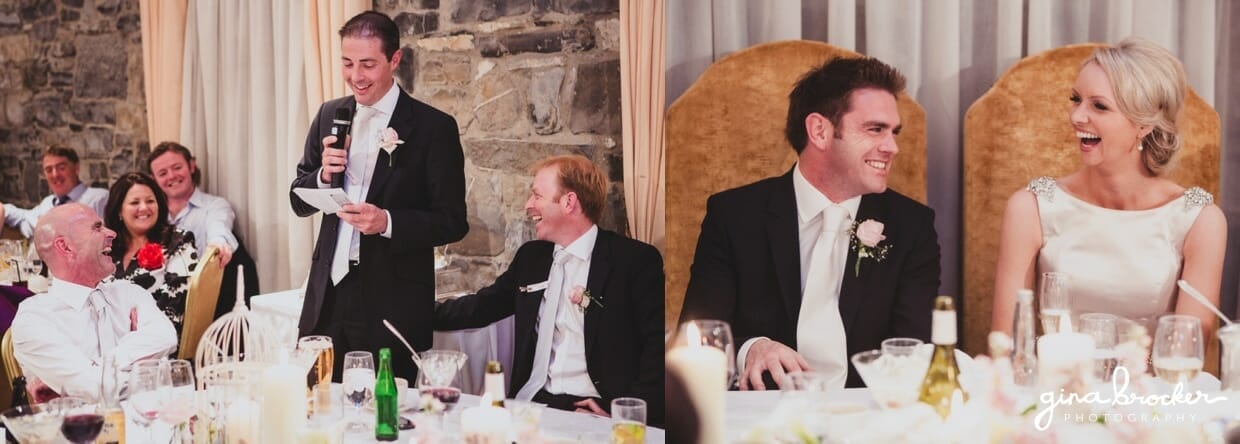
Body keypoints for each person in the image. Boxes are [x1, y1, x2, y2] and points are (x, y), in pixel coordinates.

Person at [679, 57, 942, 391]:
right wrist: (751, 349)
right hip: (761, 417)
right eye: (875, 129)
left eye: (894, 132)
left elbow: (911, 350)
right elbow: (698, 335)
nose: (892, 147)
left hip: (866, 418)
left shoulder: (912, 227)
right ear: (820, 130)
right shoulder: (734, 216)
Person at [990, 38, 1225, 339]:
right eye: (1076, 100)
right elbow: (1005, 346)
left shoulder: (1199, 221)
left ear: (1144, 124)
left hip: (1152, 386)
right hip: (1056, 383)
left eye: (1099, 106)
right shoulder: (1031, 208)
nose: (1076, 117)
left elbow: (1184, 354)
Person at [290, 10, 468, 381]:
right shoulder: (329, 114)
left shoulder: (434, 128)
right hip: (327, 296)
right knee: (317, 408)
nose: (356, 76)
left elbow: (452, 221)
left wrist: (387, 222)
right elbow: (298, 199)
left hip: (392, 302)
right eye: (348, 63)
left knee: (385, 417)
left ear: (395, 60)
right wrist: (323, 175)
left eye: (368, 64)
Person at [434, 155, 664, 425]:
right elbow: (480, 308)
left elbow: (657, 345)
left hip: (595, 409)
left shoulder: (634, 261)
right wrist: (410, 313)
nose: (528, 206)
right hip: (532, 404)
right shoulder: (532, 258)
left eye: (536, 196)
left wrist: (626, 413)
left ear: (569, 202)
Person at [10, 203, 177, 402]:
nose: (112, 233)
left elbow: (167, 337)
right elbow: (96, 391)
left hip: (144, 423)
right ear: (65, 247)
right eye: (97, 227)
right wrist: (143, 365)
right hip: (76, 431)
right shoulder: (35, 320)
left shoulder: (127, 293)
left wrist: (98, 365)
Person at [103, 172, 199, 336]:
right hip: (110, 343)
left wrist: (133, 331)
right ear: (119, 210)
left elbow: (177, 305)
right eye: (134, 202)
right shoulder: (107, 250)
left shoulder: (178, 242)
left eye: (150, 201)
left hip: (159, 344)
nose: (144, 208)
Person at [147, 141, 237, 266]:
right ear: (153, 180)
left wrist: (218, 246)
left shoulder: (215, 206)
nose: (171, 176)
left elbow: (219, 230)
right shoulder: (150, 213)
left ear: (191, 166)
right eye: (163, 173)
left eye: (177, 167)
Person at [1, 146, 108, 237]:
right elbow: (24, 217)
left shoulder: (99, 199)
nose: (55, 174)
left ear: (77, 168)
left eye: (61, 168)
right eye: (49, 170)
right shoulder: (48, 204)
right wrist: (3, 209)